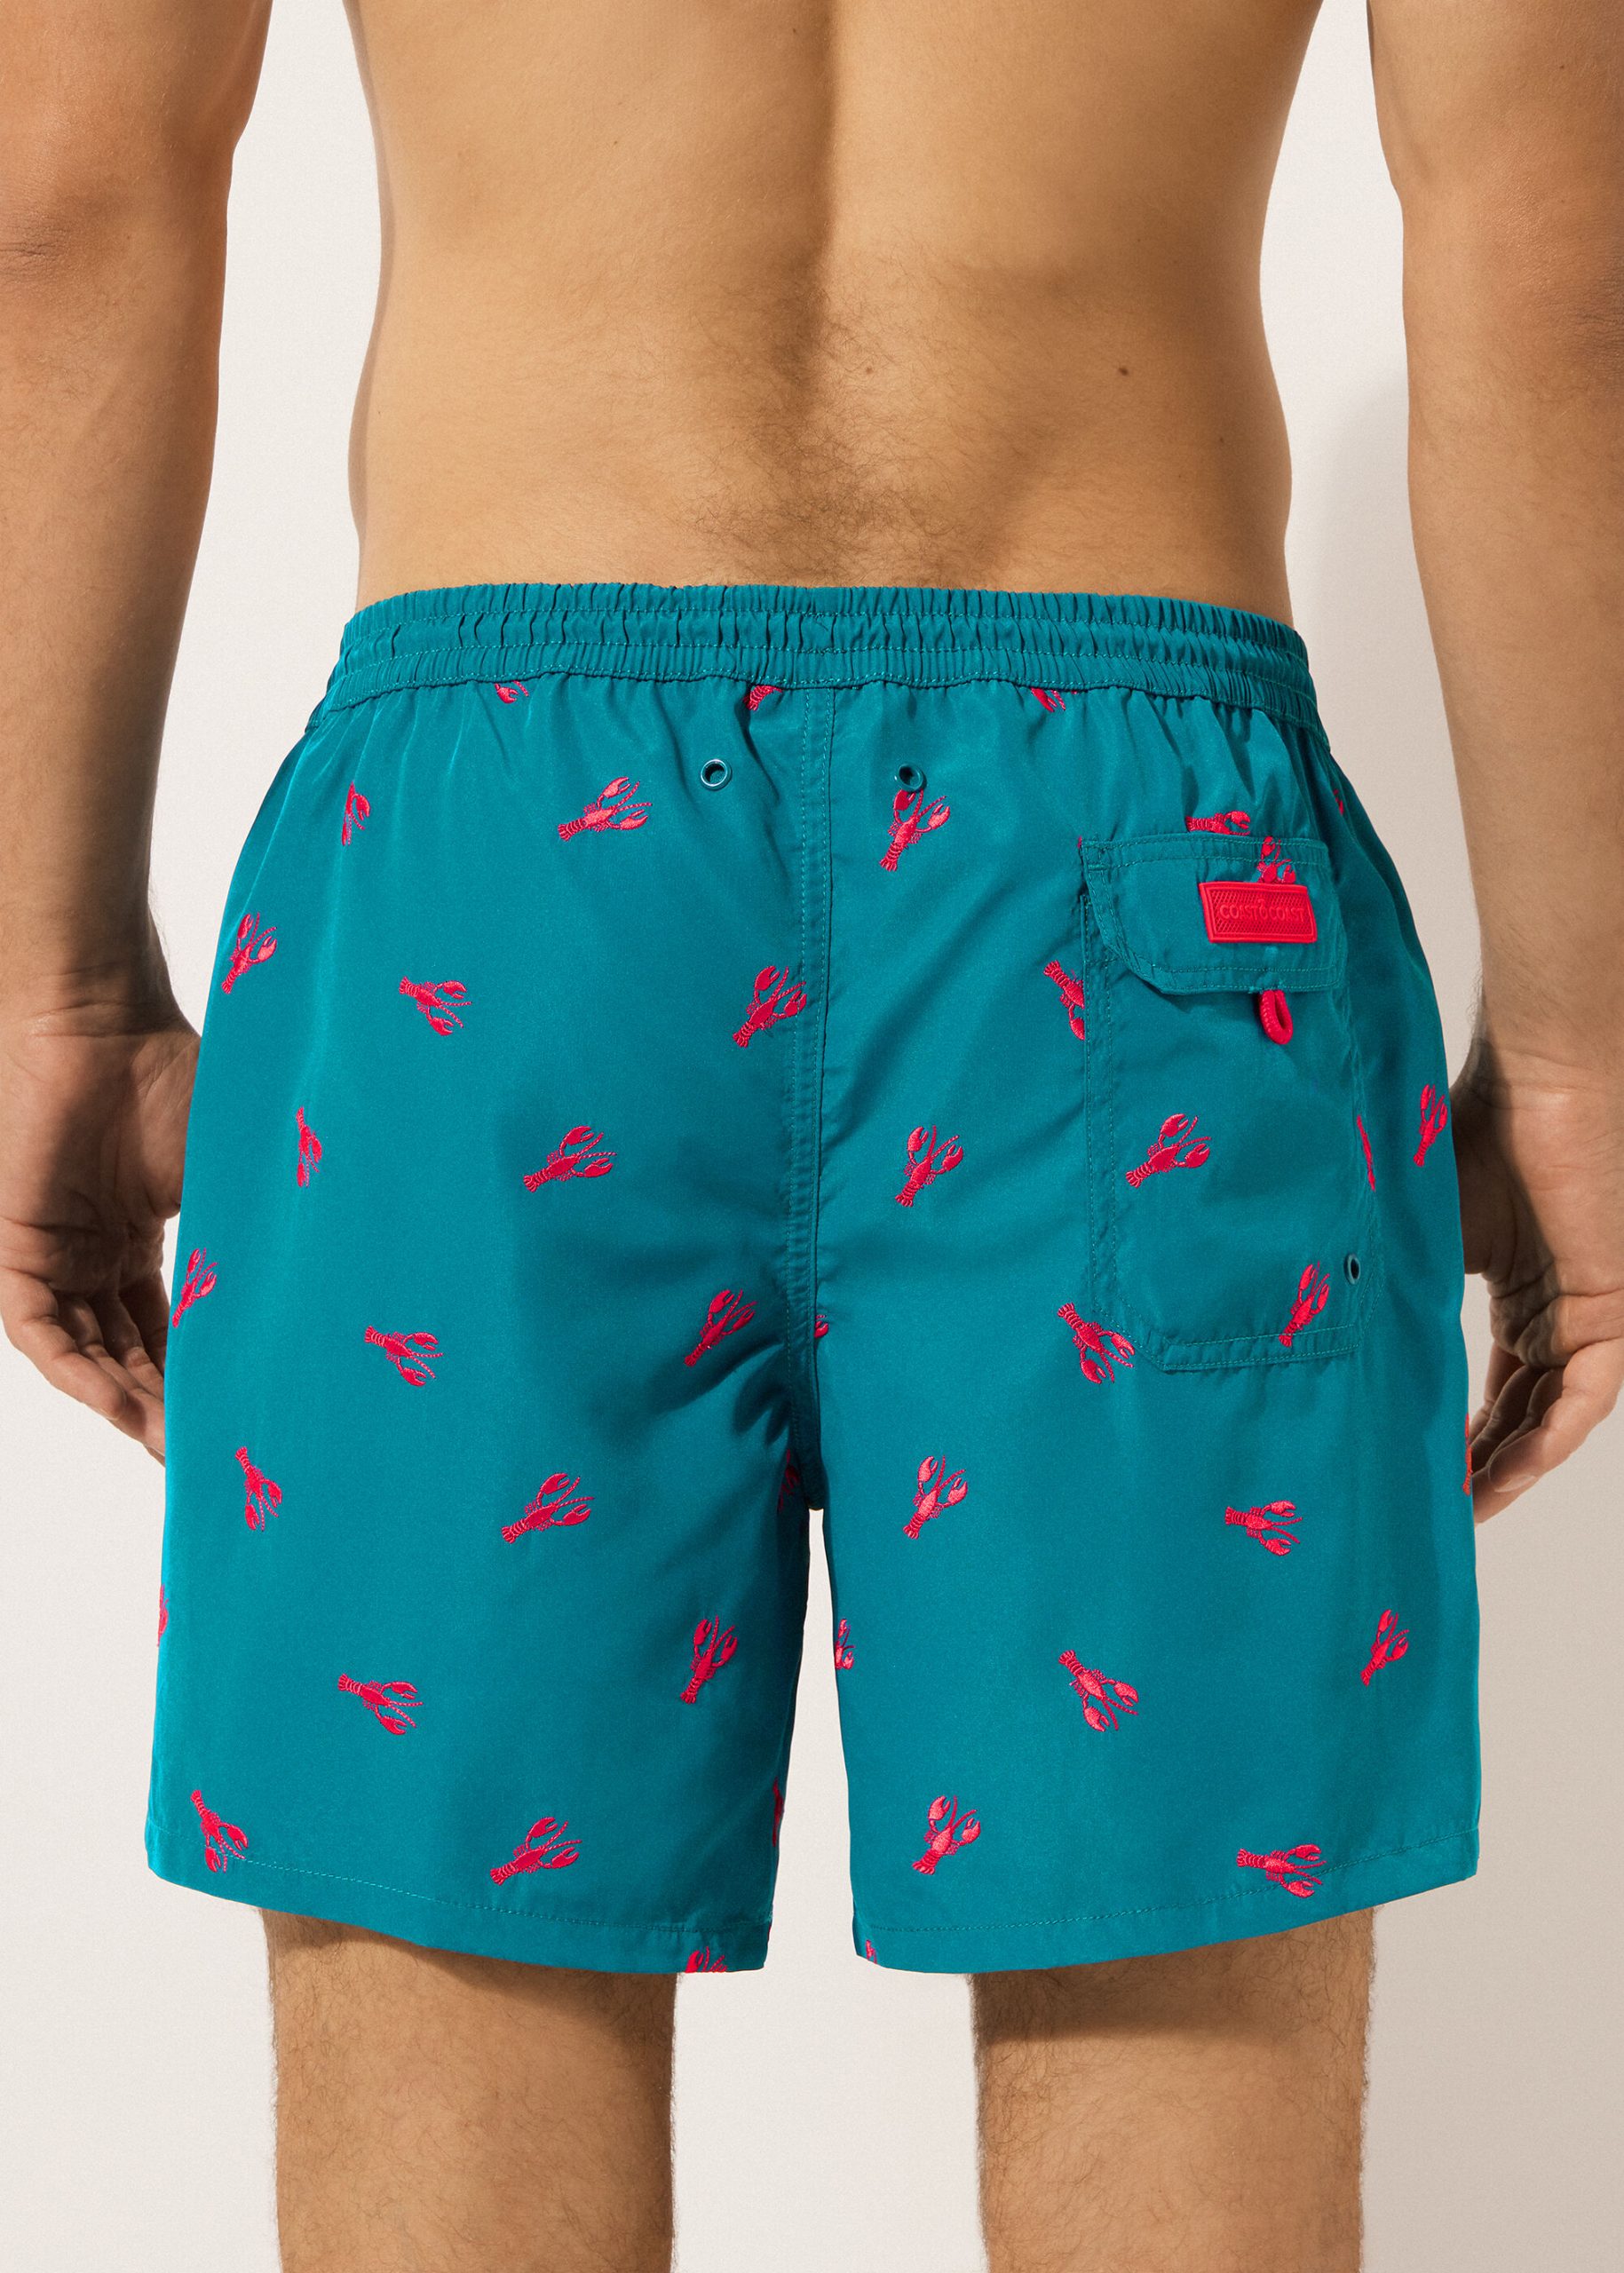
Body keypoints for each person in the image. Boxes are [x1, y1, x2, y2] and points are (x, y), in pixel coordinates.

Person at [3, 2, 1620, 2267]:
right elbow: (1554, 256)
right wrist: (1582, 1046)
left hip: (498, 883)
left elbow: (67, 201)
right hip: (1141, 868)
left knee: (453, 2063)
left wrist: (55, 984)